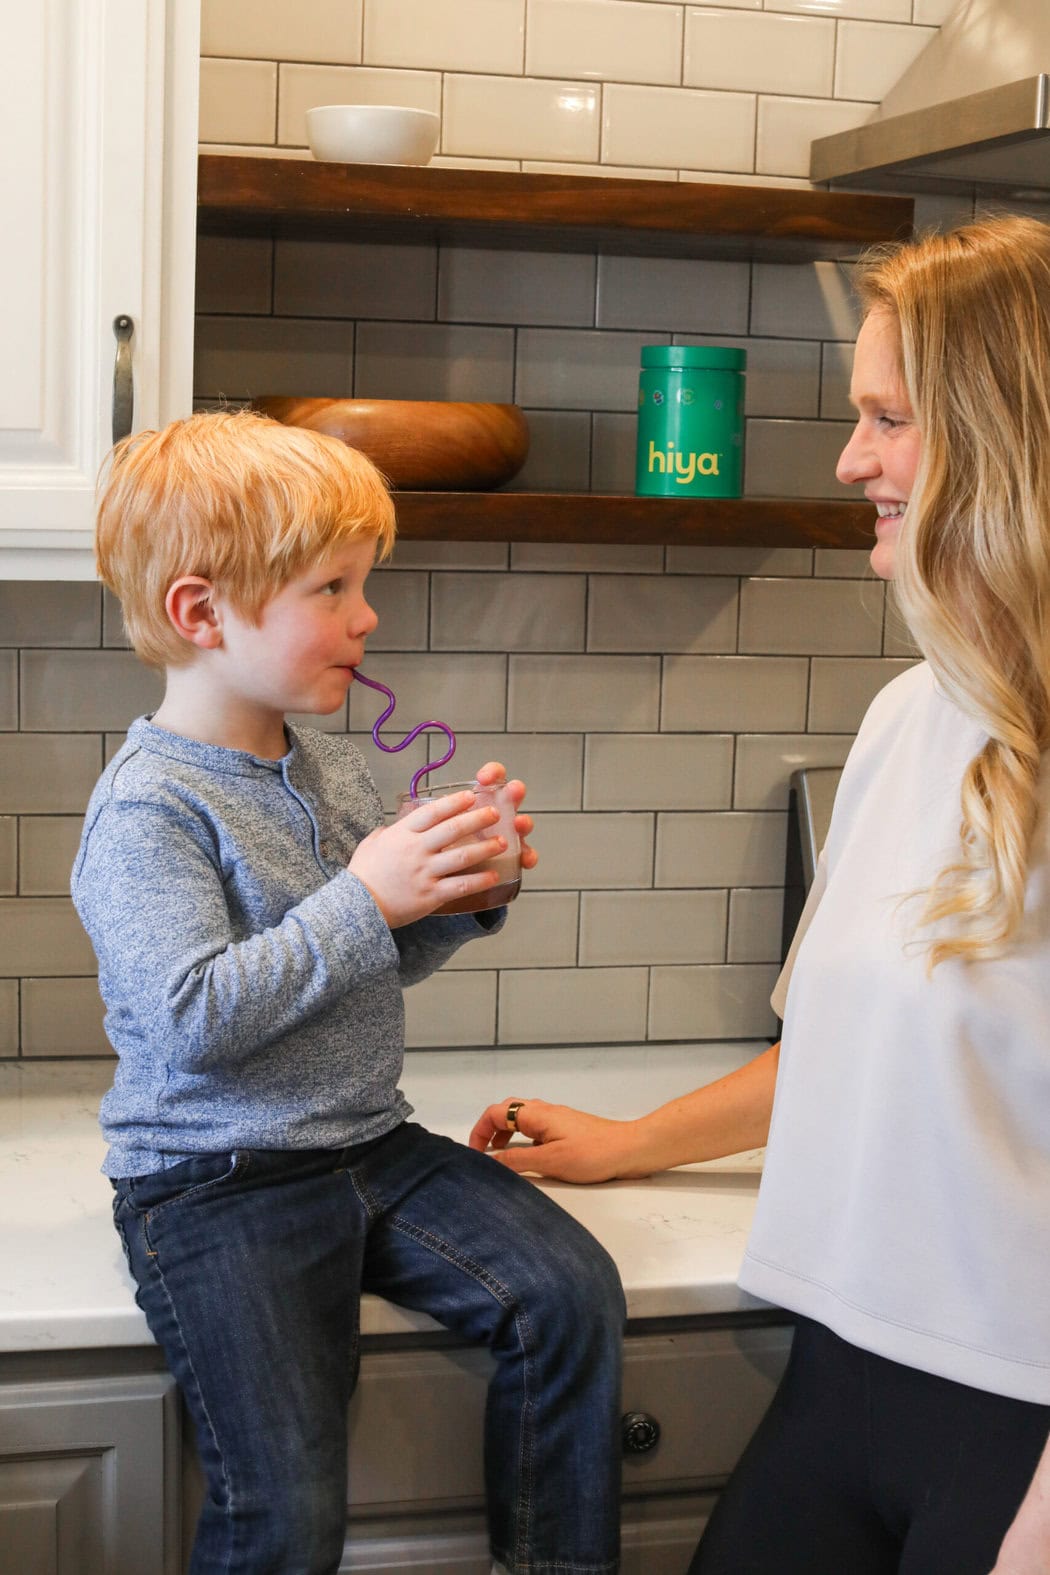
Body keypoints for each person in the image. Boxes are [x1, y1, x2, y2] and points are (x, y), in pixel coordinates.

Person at [470, 215, 1050, 1575]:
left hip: (1017, 1419)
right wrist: (626, 1144)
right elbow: (833, 1052)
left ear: (1008, 440)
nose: (850, 459)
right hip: (845, 1362)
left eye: (888, 419)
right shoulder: (912, 713)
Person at [72, 409, 625, 1575]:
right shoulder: (147, 810)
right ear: (199, 611)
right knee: (286, 1506)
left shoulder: (329, 765)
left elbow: (369, 957)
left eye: (362, 585)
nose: (366, 618)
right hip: (216, 1179)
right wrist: (368, 898)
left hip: (370, 1144)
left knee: (570, 1296)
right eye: (332, 589)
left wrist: (463, 892)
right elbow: (196, 1022)